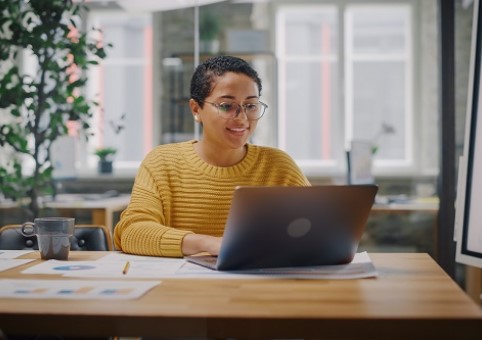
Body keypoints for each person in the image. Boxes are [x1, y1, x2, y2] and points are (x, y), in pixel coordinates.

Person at [114, 55, 310, 257]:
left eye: (251, 106)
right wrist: (209, 244)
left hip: (260, 283)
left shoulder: (279, 166)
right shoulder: (162, 162)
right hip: (184, 286)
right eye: (226, 106)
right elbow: (132, 232)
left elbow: (317, 231)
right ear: (196, 109)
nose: (242, 118)